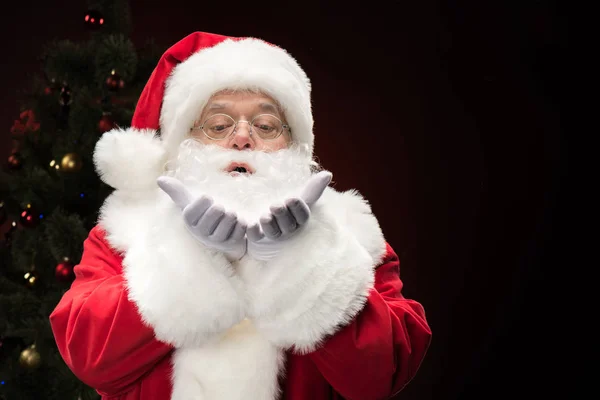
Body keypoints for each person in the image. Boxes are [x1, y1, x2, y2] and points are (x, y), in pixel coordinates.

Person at [49, 31, 432, 400]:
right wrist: (195, 259)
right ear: (180, 143)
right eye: (218, 125)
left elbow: (384, 372)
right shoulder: (124, 232)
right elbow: (88, 354)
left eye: (266, 125)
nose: (243, 137)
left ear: (294, 144)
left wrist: (300, 262)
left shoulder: (351, 231)